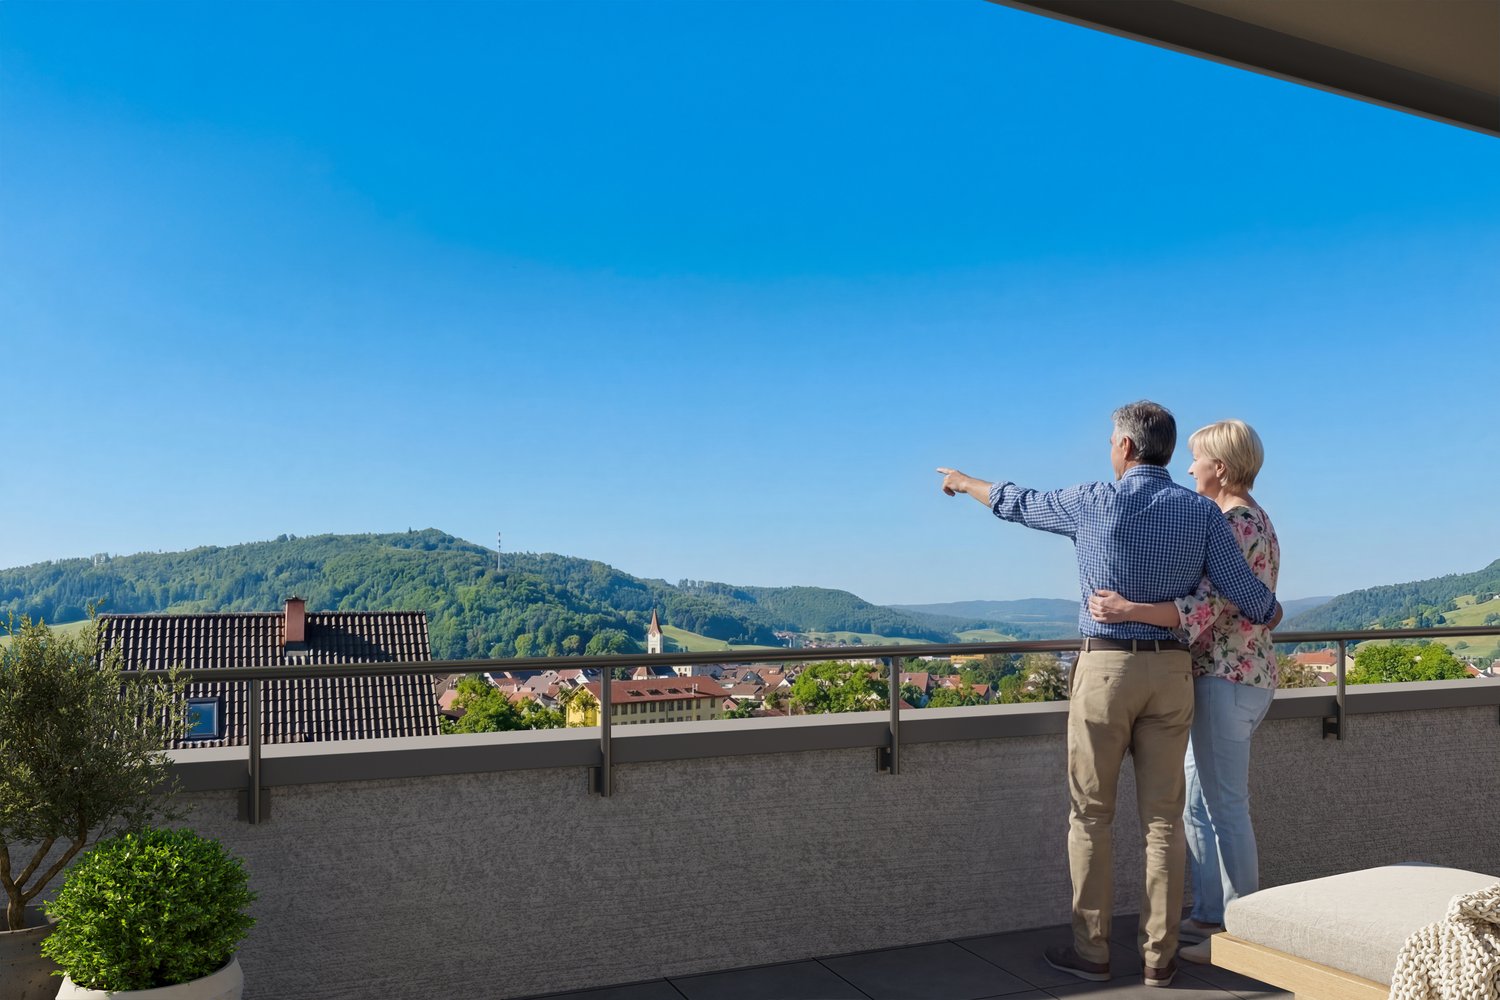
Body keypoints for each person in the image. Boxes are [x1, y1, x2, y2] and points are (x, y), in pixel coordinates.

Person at [937, 400, 1277, 989]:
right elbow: (1256, 603)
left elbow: (1017, 502)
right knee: (1164, 822)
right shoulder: (1201, 513)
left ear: (1124, 448)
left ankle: (1092, 953)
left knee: (1091, 815)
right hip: (1173, 675)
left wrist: (964, 482)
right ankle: (1159, 959)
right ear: (1168, 451)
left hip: (1106, 671)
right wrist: (1266, 607)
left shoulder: (1094, 500)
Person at [1087, 419, 1279, 964]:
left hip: (1225, 677)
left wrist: (1128, 611)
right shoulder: (1245, 517)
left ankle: (1246, 933)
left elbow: (1206, 606)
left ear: (1220, 467)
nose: (1189, 468)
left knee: (1224, 806)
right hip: (1234, 676)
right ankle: (1211, 915)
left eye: (1197, 459)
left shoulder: (1236, 522)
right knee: (1198, 803)